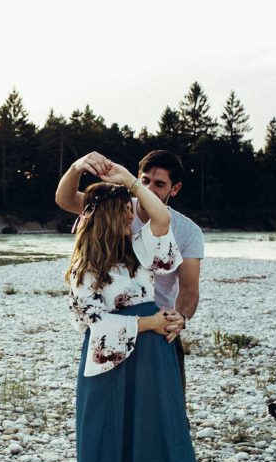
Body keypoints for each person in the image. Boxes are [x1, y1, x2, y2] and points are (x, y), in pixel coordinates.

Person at [57, 157, 221, 462]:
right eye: (130, 203)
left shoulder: (144, 250)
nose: (137, 207)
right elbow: (92, 322)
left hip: (153, 359)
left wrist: (131, 181)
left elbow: (164, 220)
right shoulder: (85, 268)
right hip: (108, 361)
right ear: (115, 217)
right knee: (105, 448)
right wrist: (148, 321)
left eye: (149, 188)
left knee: (156, 444)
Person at [56, 150, 203, 394]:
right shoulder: (114, 206)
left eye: (159, 184)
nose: (149, 188)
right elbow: (65, 199)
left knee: (166, 404)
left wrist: (180, 319)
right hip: (114, 327)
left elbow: (189, 289)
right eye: (144, 180)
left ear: (174, 189)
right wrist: (76, 167)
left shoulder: (186, 231)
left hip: (160, 326)